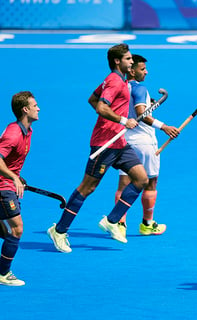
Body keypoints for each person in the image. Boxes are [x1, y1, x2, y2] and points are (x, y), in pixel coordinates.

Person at [47, 43, 149, 253]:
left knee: (141, 179)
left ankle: (112, 220)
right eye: (129, 59)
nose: (132, 62)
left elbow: (92, 99)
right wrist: (122, 120)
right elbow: (101, 106)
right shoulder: (114, 81)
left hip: (119, 143)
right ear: (117, 61)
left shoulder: (116, 80)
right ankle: (59, 230)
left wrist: (115, 122)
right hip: (105, 144)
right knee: (87, 187)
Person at [115, 54, 179, 237]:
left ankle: (119, 224)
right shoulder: (140, 88)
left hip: (125, 142)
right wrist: (164, 126)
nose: (146, 72)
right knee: (151, 183)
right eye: (142, 69)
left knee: (123, 184)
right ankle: (147, 224)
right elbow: (141, 114)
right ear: (132, 70)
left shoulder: (121, 87)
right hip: (144, 144)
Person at [0, 91, 40, 286]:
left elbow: (10, 162)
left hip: (7, 183)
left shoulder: (28, 131)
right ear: (25, 109)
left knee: (7, 233)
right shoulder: (13, 134)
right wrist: (13, 177)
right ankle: (3, 274)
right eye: (35, 106)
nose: (38, 108)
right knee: (16, 230)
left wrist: (17, 176)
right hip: (2, 187)